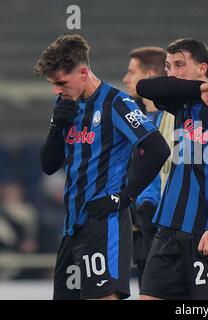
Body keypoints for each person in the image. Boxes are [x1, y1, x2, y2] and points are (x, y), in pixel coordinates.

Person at [34, 34, 170, 300]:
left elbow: (158, 148)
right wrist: (55, 127)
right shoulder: (64, 104)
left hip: (104, 224)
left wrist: (126, 196)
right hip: (72, 225)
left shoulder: (116, 103)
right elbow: (49, 165)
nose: (56, 90)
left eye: (61, 82)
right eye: (52, 84)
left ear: (84, 72)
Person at [136, 38, 208, 300]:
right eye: (168, 66)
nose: (172, 73)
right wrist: (197, 89)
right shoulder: (183, 102)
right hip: (168, 228)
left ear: (202, 68)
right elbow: (144, 86)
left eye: (179, 65)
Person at [122, 46, 174, 288]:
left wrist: (146, 207)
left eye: (132, 72)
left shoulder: (172, 119)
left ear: (150, 75)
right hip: (143, 226)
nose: (126, 78)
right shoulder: (140, 119)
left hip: (161, 226)